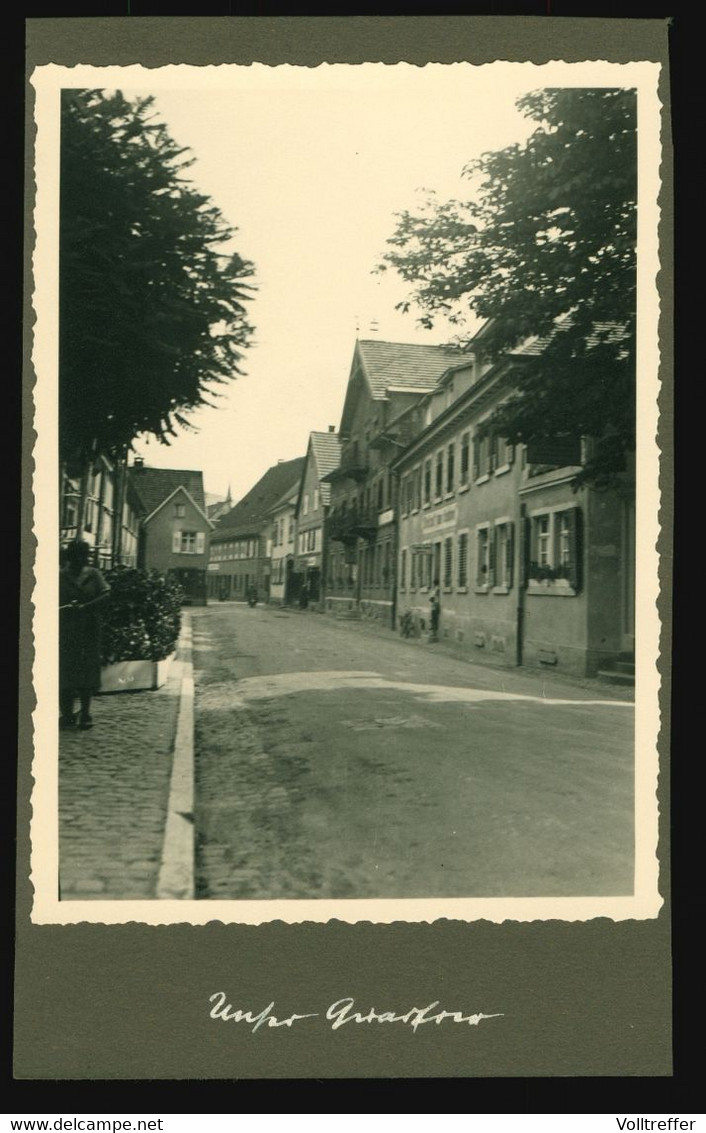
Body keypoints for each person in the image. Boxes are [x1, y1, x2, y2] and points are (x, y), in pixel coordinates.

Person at [59, 540, 110, 730]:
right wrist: (66, 609)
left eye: (85, 556)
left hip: (89, 630)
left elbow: (106, 595)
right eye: (78, 556)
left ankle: (86, 713)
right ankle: (66, 715)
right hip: (66, 631)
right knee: (65, 671)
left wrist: (85, 608)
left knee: (87, 672)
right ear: (70, 557)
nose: (82, 560)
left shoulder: (94, 574)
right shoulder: (61, 576)